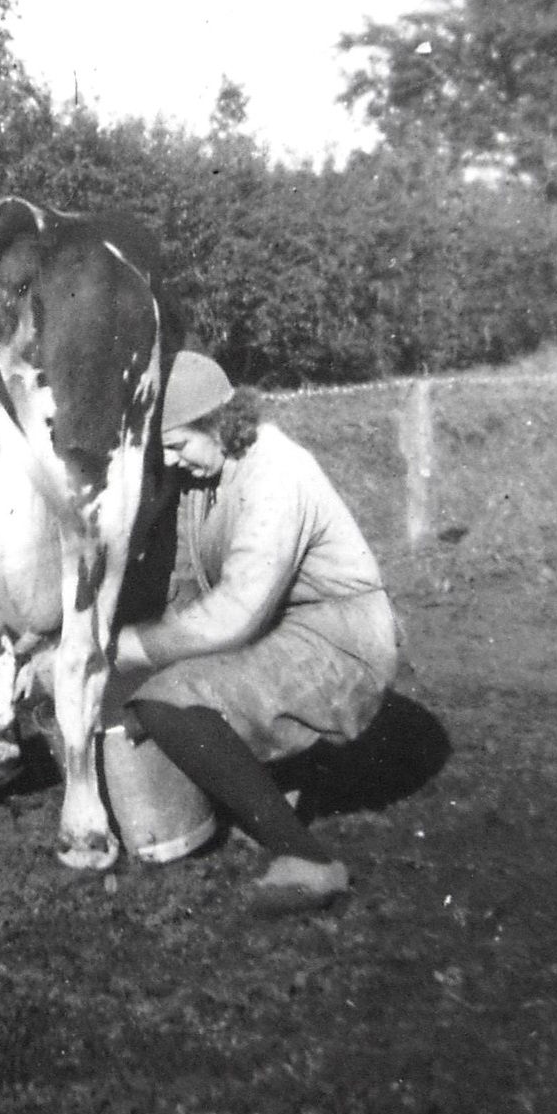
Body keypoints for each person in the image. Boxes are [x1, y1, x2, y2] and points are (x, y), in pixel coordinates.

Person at [109, 350, 399, 911]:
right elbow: (181, 583)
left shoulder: (276, 471)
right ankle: (275, 789)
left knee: (165, 701)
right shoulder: (208, 474)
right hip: (291, 628)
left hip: (343, 638)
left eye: (177, 445)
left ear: (220, 422)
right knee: (186, 674)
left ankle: (308, 861)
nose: (172, 462)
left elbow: (236, 612)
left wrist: (121, 648)